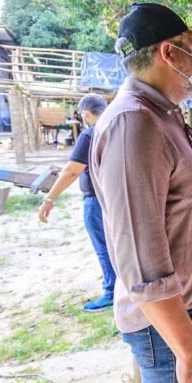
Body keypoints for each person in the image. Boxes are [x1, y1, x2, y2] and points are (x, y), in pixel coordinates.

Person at [90, 3, 192, 383]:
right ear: (170, 54)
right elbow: (141, 259)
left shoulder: (159, 112)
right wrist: (187, 349)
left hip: (189, 307)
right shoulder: (134, 123)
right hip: (168, 320)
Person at [38, 93, 116, 312]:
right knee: (118, 245)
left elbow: (72, 170)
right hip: (116, 197)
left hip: (96, 200)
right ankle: (122, 289)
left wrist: (49, 198)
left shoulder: (90, 134)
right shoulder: (116, 130)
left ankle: (112, 292)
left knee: (103, 247)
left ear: (86, 114)